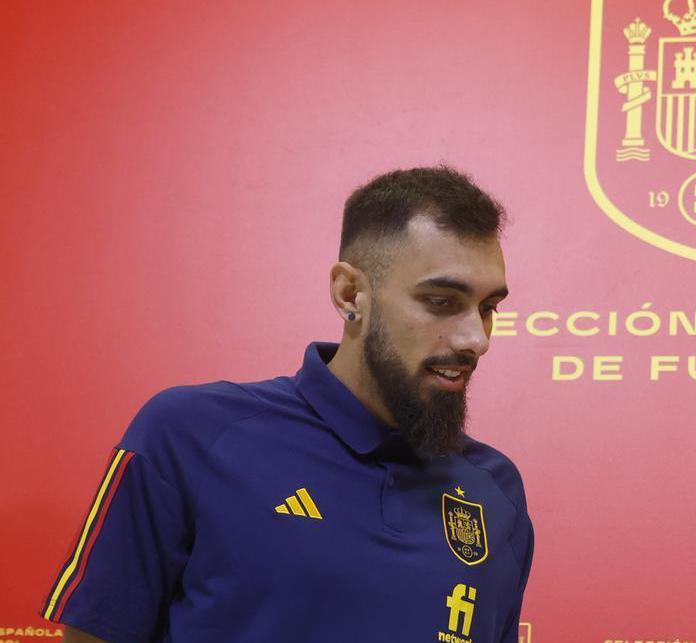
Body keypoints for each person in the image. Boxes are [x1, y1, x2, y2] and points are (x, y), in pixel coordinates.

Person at [42, 166, 534, 643]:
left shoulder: (496, 488)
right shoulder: (190, 433)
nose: (476, 339)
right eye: (442, 301)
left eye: (488, 308)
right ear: (350, 294)